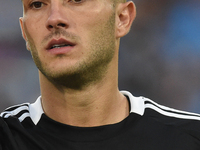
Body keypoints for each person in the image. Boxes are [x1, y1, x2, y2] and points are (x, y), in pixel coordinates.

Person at [1, 0, 200, 149]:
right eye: (37, 4)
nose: (54, 19)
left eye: (76, 0)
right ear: (24, 32)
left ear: (122, 18)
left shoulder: (190, 138)